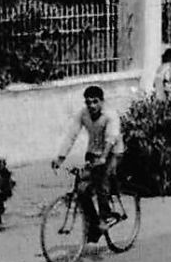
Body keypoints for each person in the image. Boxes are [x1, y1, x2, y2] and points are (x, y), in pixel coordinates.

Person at [51, 85, 125, 226]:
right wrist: (60, 158)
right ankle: (94, 225)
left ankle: (107, 215)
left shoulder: (110, 114)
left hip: (113, 152)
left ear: (102, 101)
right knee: (81, 189)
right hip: (93, 151)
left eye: (95, 101)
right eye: (88, 102)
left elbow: (112, 137)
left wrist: (103, 157)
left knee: (102, 180)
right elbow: (72, 135)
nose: (91, 105)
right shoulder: (83, 114)